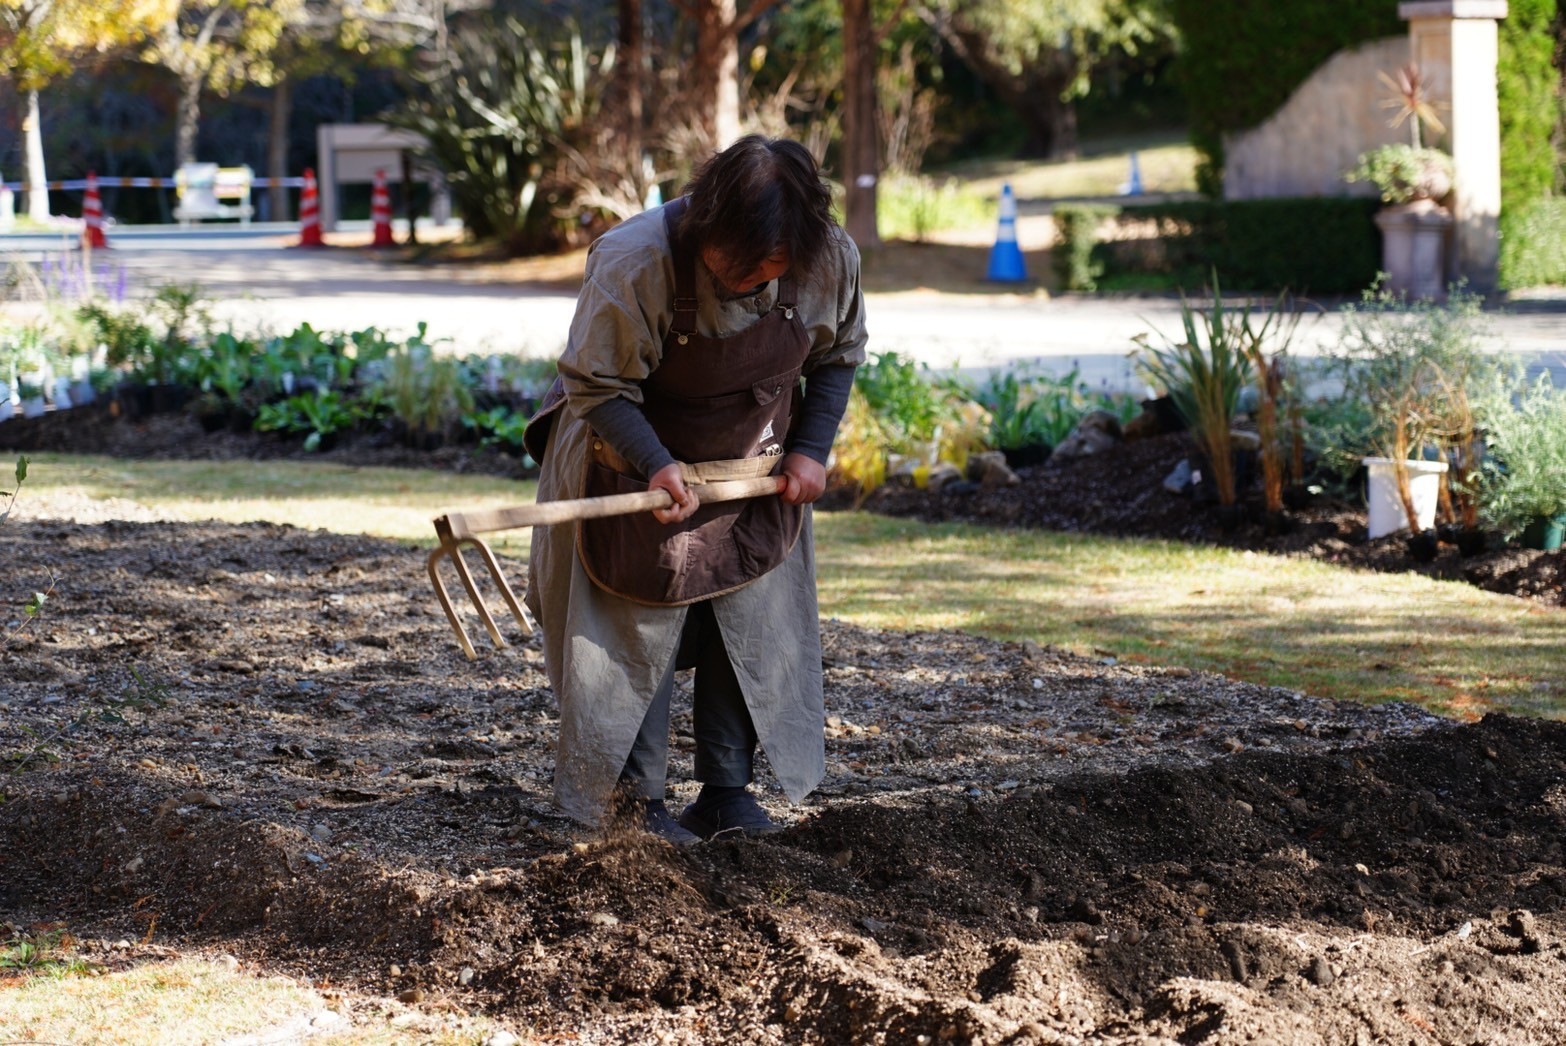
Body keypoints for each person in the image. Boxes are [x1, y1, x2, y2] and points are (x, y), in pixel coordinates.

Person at [522, 136, 868, 845]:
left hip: (750, 467)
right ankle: (635, 801)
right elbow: (598, 384)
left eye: (765, 270)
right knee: (633, 618)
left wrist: (810, 449)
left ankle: (725, 792)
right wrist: (652, 461)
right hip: (619, 453)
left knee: (747, 615)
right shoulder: (636, 259)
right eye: (734, 265)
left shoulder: (829, 259)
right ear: (707, 222)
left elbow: (837, 358)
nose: (746, 282)